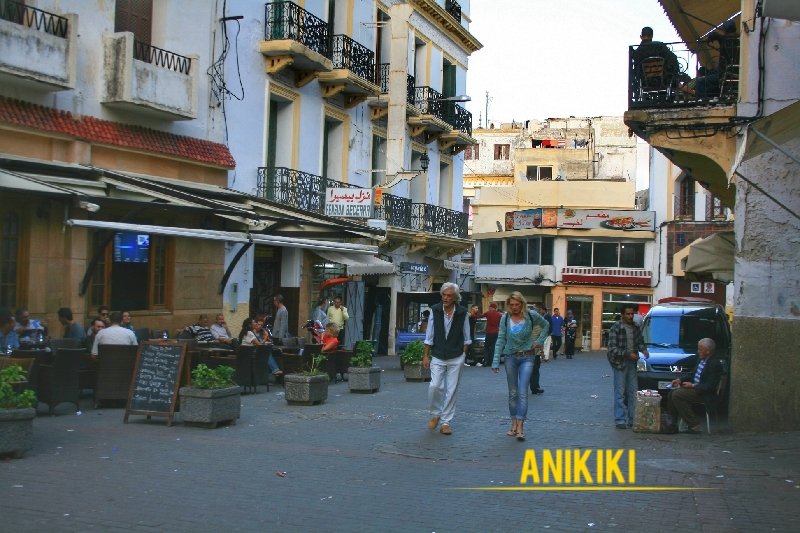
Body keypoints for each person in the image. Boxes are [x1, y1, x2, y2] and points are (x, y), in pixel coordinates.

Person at [492, 292, 550, 441]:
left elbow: (546, 325)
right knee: (513, 393)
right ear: (508, 305)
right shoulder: (505, 318)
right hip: (510, 357)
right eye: (511, 305)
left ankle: (520, 426)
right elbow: (500, 339)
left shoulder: (531, 315)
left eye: (517, 304)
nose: (514, 307)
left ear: (522, 304)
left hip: (527, 357)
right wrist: (495, 360)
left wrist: (539, 341)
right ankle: (513, 423)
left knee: (523, 391)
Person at [422, 282, 471, 436]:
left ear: (455, 297)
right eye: (444, 294)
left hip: (456, 356)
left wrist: (463, 355)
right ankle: (435, 414)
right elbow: (429, 335)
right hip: (438, 354)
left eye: (449, 295)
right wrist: (425, 355)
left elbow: (467, 337)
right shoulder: (435, 310)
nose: (446, 298)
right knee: (435, 386)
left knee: (452, 389)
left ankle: (445, 422)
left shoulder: (462, 313)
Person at [666, 338, 725, 434]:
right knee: (671, 393)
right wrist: (679, 380)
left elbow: (710, 386)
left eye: (700, 349)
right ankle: (672, 423)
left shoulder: (714, 364)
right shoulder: (700, 359)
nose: (698, 351)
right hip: (696, 389)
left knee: (677, 394)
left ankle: (694, 424)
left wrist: (693, 385)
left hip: (705, 394)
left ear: (708, 351)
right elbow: (692, 375)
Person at [606, 304, 649, 429]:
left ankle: (632, 419)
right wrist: (627, 354)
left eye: (632, 314)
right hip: (619, 363)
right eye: (628, 314)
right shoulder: (616, 327)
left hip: (632, 363)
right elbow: (612, 349)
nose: (630, 316)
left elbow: (639, 342)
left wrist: (644, 350)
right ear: (622, 315)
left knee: (633, 392)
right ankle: (620, 419)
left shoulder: (635, 327)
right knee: (620, 392)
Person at [479, 302, 502, 368]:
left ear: (491, 307)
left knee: (486, 347)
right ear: (496, 307)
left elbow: (479, 316)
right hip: (496, 332)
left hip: (489, 333)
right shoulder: (499, 314)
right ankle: (491, 362)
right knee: (493, 347)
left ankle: (485, 361)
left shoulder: (488, 313)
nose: (489, 308)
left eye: (490, 307)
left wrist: (473, 314)